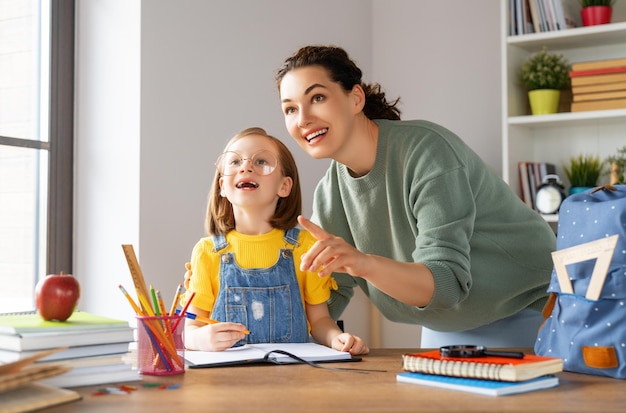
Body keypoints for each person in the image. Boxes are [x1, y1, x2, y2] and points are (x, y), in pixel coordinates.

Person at [272, 45, 556, 348]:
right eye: (290, 108)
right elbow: (328, 294)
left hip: (529, 310)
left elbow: (446, 283)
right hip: (445, 324)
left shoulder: (427, 153)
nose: (302, 118)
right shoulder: (330, 194)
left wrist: (362, 263)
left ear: (355, 98)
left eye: (317, 98)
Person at [181, 126, 368, 355]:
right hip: (227, 382)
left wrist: (338, 339)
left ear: (284, 186)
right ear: (222, 186)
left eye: (261, 161)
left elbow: (319, 321)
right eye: (235, 162)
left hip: (291, 379)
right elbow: (191, 327)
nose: (246, 166)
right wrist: (200, 339)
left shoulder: (306, 247)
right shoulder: (206, 252)